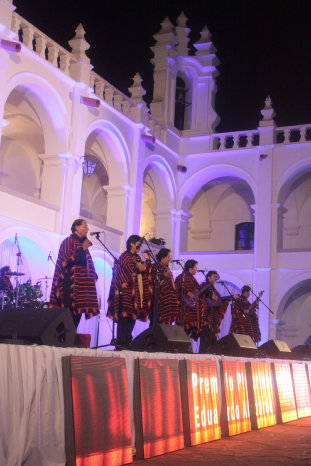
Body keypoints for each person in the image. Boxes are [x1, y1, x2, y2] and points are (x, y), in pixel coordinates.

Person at [49, 219, 99, 328]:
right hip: (69, 287)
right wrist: (83, 248)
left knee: (75, 322)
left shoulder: (81, 244)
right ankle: (63, 343)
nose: (87, 229)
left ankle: (70, 342)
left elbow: (86, 263)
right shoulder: (68, 241)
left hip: (81, 290)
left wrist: (92, 275)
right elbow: (67, 261)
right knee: (67, 321)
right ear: (76, 227)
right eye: (85, 226)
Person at [107, 234, 153, 349]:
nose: (140, 246)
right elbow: (132, 271)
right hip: (125, 293)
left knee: (132, 319)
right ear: (132, 243)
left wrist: (146, 262)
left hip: (135, 295)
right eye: (138, 244)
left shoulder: (137, 258)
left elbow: (143, 273)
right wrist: (142, 265)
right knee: (124, 320)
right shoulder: (125, 256)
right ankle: (121, 344)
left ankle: (127, 343)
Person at [199, 270, 230, 353]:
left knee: (212, 337)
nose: (215, 277)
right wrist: (210, 299)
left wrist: (229, 297)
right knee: (205, 337)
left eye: (216, 276)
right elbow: (200, 296)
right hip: (206, 316)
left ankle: (212, 353)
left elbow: (218, 300)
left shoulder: (214, 290)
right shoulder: (204, 285)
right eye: (214, 276)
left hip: (212, 317)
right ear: (208, 277)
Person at [175, 259, 204, 341]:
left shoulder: (193, 279)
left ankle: (186, 347)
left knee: (189, 330)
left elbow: (198, 290)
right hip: (184, 309)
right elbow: (177, 288)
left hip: (192, 309)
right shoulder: (181, 277)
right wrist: (187, 292)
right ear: (190, 269)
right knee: (183, 329)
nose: (197, 269)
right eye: (195, 267)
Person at [150, 248, 179, 325]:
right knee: (158, 323)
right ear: (162, 257)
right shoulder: (156, 266)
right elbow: (152, 281)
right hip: (160, 300)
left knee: (167, 324)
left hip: (168, 300)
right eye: (168, 256)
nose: (170, 258)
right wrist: (163, 276)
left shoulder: (166, 268)